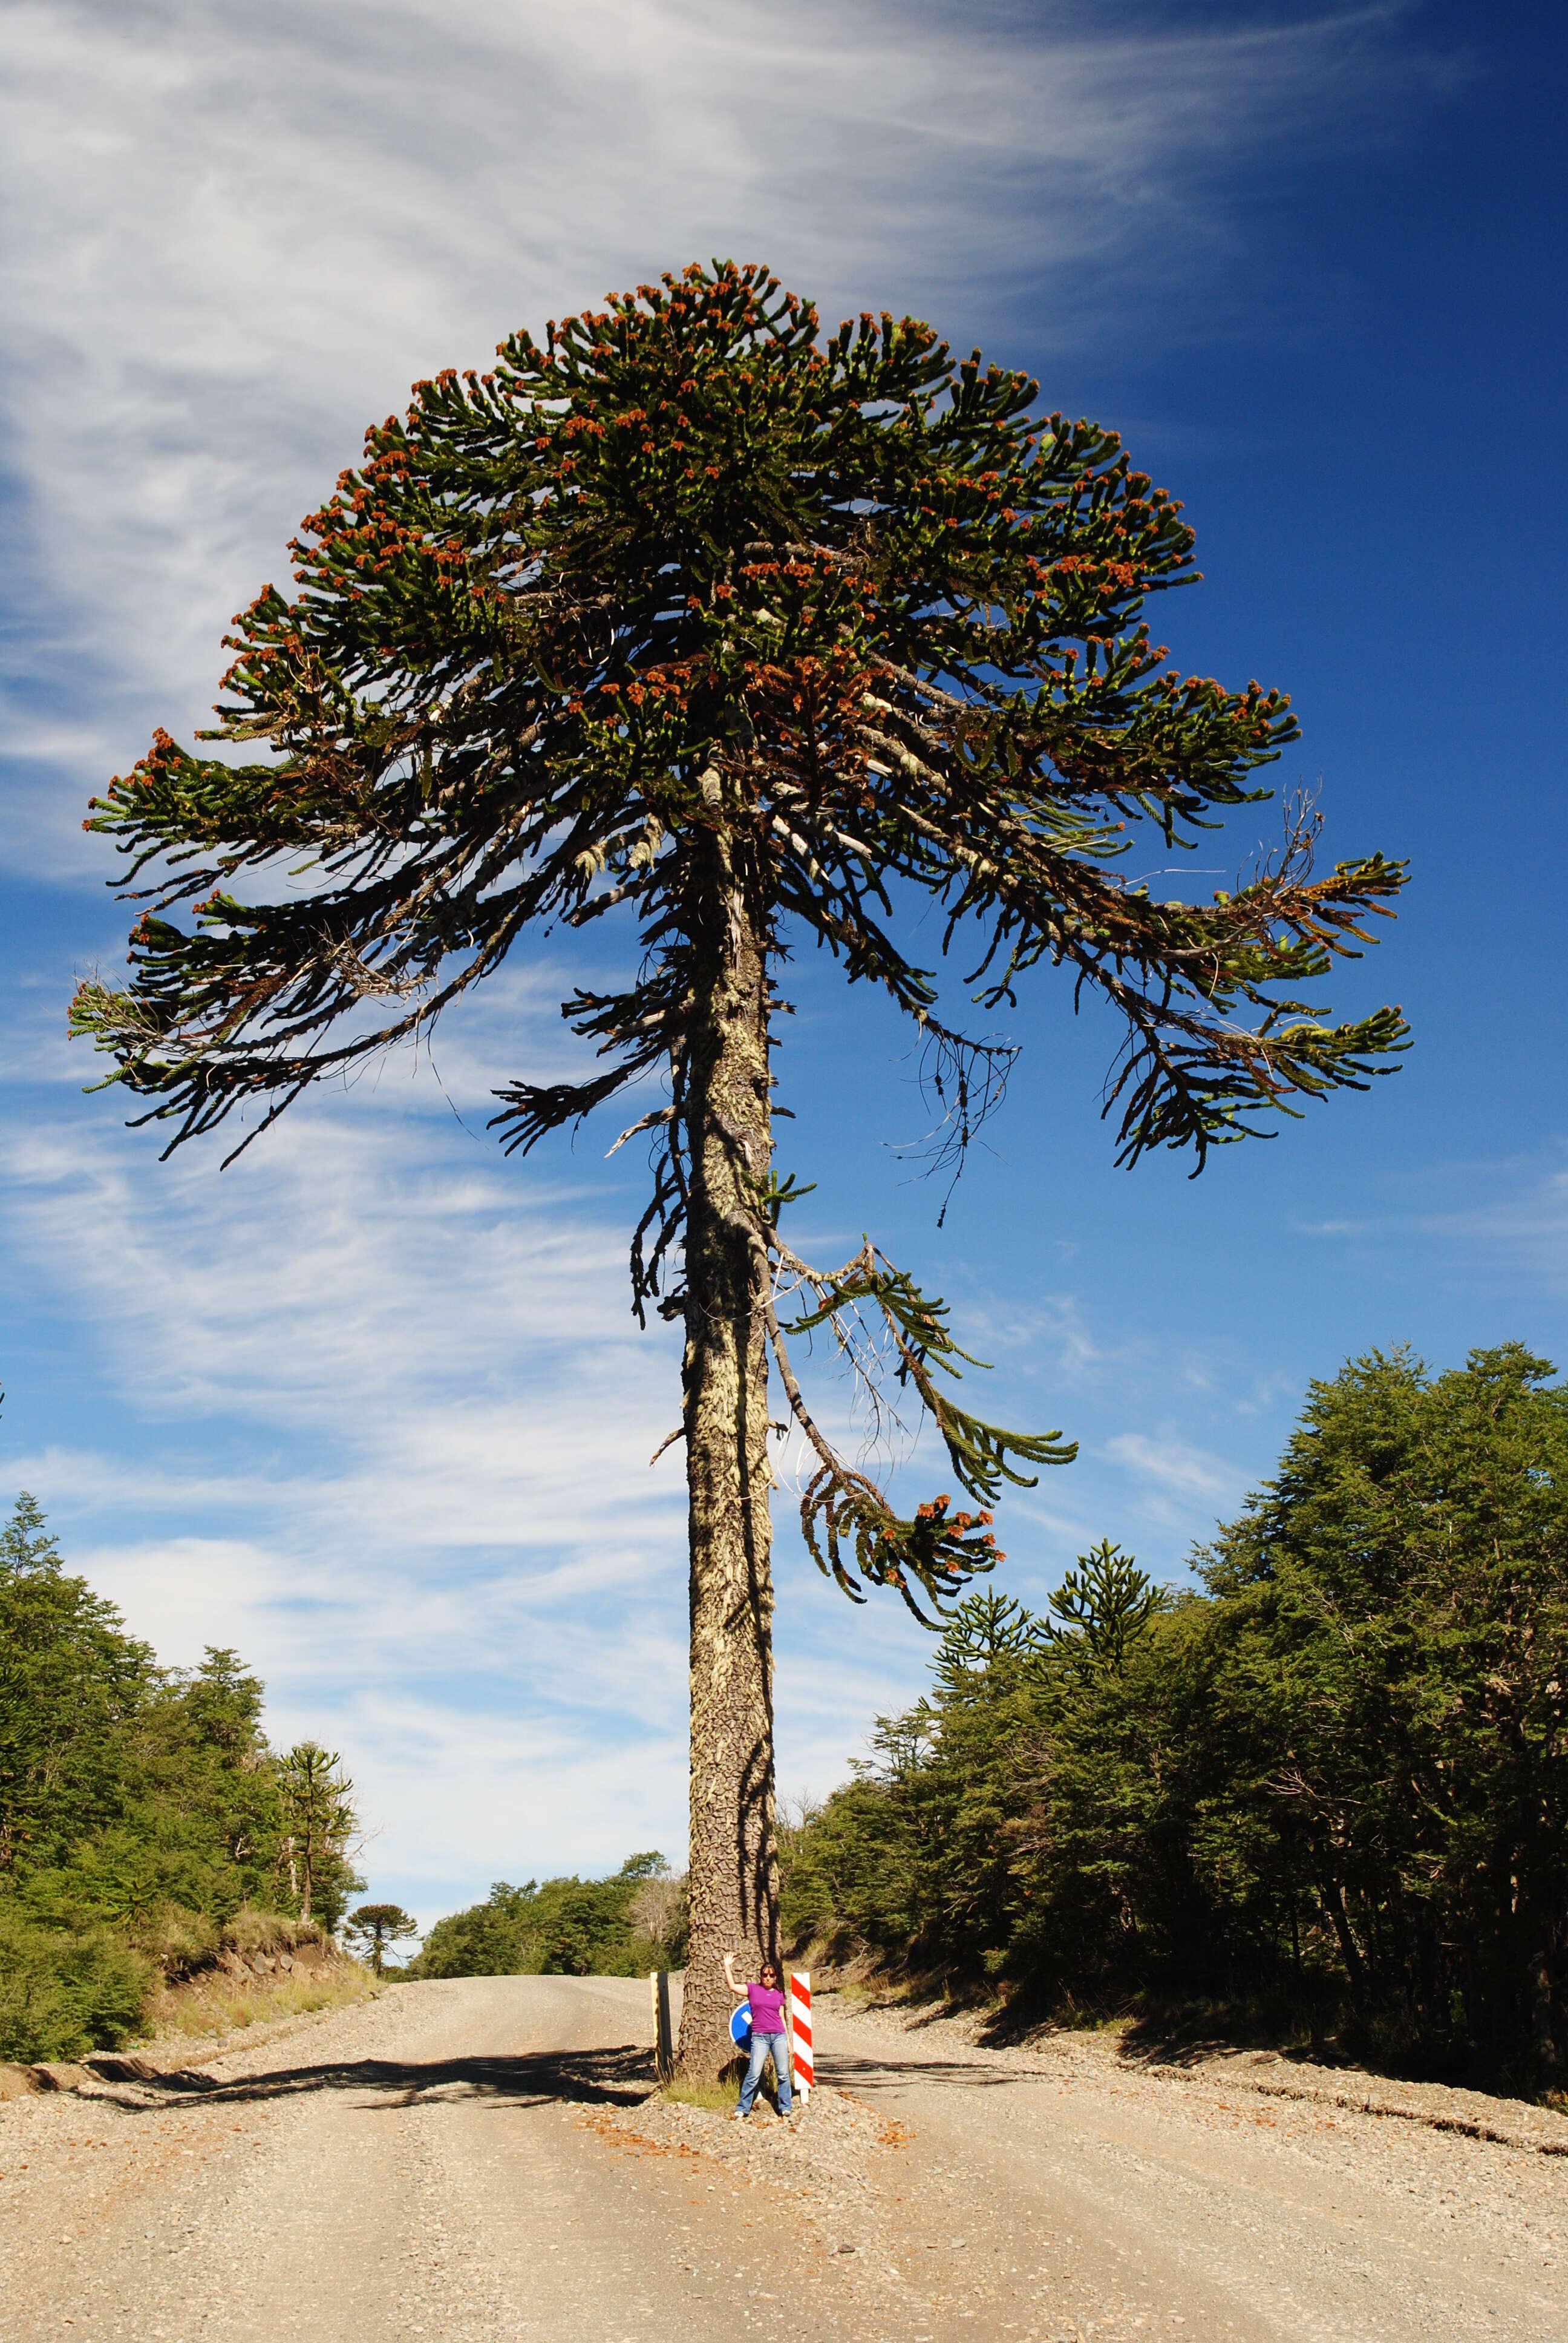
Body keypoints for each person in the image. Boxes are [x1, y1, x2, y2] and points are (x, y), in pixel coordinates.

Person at [723, 1950, 794, 2119]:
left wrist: (788, 2041)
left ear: (776, 1977)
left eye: (771, 1975)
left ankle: (785, 2107)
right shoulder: (753, 1989)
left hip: (778, 2036)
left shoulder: (779, 1994)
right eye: (765, 1975)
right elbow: (733, 1987)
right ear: (761, 1976)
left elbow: (782, 2018)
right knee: (754, 2073)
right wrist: (727, 1967)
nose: (768, 1978)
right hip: (760, 2037)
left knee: (783, 2073)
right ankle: (743, 2107)